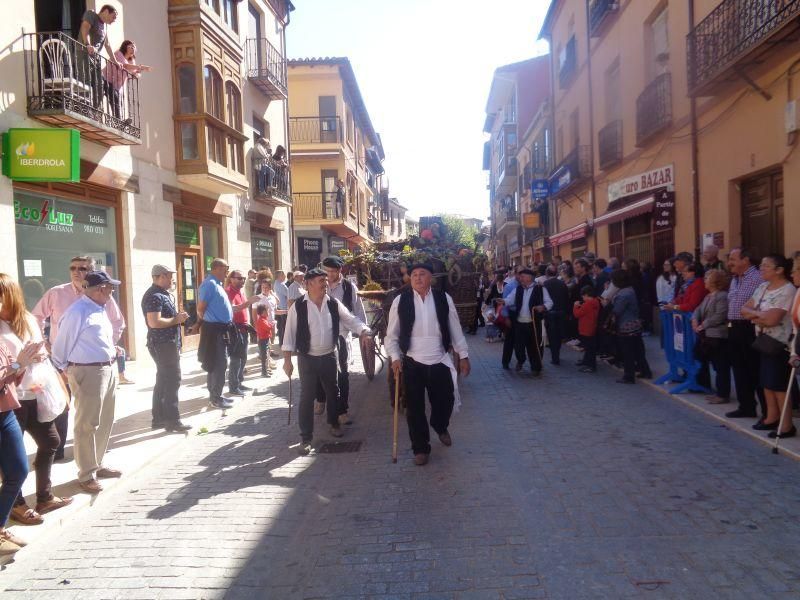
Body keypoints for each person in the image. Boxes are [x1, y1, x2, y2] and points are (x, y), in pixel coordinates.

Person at [32, 256, 125, 461]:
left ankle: (95, 462)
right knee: (65, 409)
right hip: (71, 364)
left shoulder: (102, 302)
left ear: (89, 273)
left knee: (100, 418)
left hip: (102, 367)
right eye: (72, 268)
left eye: (82, 268)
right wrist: (46, 343)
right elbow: (37, 317)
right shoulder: (60, 295)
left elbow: (117, 323)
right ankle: (60, 452)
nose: (76, 271)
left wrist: (106, 345)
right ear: (100, 288)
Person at [0, 275, 72, 526]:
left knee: (51, 440)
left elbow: (39, 349)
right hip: (11, 398)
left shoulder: (28, 319)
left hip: (36, 391)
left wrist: (41, 356)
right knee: (12, 458)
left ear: (11, 295)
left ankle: (44, 496)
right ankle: (17, 505)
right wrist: (19, 362)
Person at [385, 263, 470, 466]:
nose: (417, 277)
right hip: (412, 361)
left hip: (439, 359)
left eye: (422, 274)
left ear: (430, 277)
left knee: (445, 401)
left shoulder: (443, 298)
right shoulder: (401, 300)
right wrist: (395, 357)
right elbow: (391, 335)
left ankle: (440, 425)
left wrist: (464, 355)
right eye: (414, 274)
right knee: (414, 408)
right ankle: (421, 448)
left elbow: (455, 328)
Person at [282, 268, 372, 455]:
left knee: (333, 391)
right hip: (307, 358)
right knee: (307, 397)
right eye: (321, 280)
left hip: (329, 355)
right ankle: (306, 437)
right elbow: (289, 335)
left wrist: (363, 330)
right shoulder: (298, 307)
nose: (325, 284)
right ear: (308, 284)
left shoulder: (333, 303)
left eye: (325, 280)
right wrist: (287, 361)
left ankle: (334, 423)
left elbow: (350, 319)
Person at [51, 271, 122, 494]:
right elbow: (60, 346)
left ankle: (96, 464)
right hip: (88, 372)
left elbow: (97, 339)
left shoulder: (99, 308)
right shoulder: (77, 312)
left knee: (105, 420)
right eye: (110, 288)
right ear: (100, 288)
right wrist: (65, 370)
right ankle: (86, 474)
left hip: (107, 368)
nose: (112, 292)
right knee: (87, 424)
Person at [741, 254, 796, 438]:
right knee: (766, 382)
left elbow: (773, 319)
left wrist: (755, 315)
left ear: (779, 270)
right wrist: (760, 315)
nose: (761, 269)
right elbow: (743, 309)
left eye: (766, 266)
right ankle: (771, 417)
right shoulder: (762, 287)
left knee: (779, 384)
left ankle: (786, 425)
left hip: (780, 343)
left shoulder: (787, 290)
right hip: (763, 340)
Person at [0, 335, 43, 555]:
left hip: (6, 411)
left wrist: (24, 364)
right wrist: (17, 364)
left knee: (18, 470)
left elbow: (12, 378)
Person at [318, 256, 367, 424]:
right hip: (321, 334)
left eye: (332, 271)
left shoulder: (348, 286)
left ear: (339, 271)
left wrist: (363, 332)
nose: (328, 275)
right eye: (326, 271)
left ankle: (342, 411)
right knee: (320, 372)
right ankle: (321, 396)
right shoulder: (318, 283)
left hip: (341, 334)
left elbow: (358, 309)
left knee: (342, 373)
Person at [142, 265, 191, 432]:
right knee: (172, 380)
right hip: (162, 344)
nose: (172, 280)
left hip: (166, 344)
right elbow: (154, 322)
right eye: (170, 276)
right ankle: (172, 420)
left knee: (163, 381)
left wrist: (177, 319)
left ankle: (159, 419)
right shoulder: (154, 295)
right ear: (161, 276)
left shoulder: (161, 294)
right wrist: (176, 320)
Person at [724, 248, 767, 420]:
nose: (729, 263)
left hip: (750, 328)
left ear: (746, 260)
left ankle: (768, 412)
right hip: (734, 328)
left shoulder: (757, 278)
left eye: (733, 259)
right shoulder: (735, 279)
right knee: (739, 369)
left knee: (755, 369)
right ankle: (746, 406)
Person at [196, 259, 236, 410]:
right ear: (218, 268)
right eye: (226, 269)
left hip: (221, 329)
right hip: (214, 331)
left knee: (218, 363)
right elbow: (201, 309)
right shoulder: (209, 284)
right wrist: (205, 322)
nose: (227, 272)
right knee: (218, 364)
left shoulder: (217, 284)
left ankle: (216, 394)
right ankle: (215, 398)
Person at [692, 269, 731, 404]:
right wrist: (695, 320)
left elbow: (720, 315)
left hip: (717, 336)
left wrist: (704, 325)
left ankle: (723, 394)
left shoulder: (722, 296)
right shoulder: (708, 296)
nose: (705, 280)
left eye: (708, 278)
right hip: (707, 335)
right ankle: (707, 386)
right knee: (705, 359)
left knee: (721, 366)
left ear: (715, 281)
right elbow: (698, 309)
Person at [611, 269, 652, 384]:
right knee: (638, 349)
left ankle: (629, 375)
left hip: (626, 325)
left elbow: (617, 310)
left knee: (628, 352)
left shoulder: (623, 294)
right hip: (635, 324)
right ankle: (645, 371)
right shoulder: (630, 290)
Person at [225, 270, 261, 397]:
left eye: (243, 278)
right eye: (239, 278)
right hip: (235, 330)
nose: (242, 280)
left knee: (243, 358)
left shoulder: (240, 291)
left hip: (244, 329)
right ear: (231, 279)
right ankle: (233, 386)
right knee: (235, 359)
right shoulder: (228, 291)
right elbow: (232, 309)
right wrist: (248, 302)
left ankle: (239, 383)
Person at [511, 268, 552, 376]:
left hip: (533, 323)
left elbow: (549, 302)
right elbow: (510, 299)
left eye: (523, 276)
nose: (520, 278)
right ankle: (521, 360)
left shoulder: (540, 288)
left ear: (529, 277)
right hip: (520, 322)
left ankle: (535, 368)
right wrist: (504, 301)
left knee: (534, 346)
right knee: (518, 345)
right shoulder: (519, 289)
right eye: (520, 276)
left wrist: (543, 307)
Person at [79, 4, 120, 109]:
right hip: (84, 55)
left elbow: (107, 45)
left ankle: (94, 111)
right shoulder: (91, 15)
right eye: (113, 17)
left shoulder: (104, 26)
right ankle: (84, 109)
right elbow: (85, 28)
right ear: (106, 11)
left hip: (96, 59)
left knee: (100, 87)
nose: (114, 20)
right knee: (85, 82)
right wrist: (88, 44)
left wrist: (115, 61)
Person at [103, 40, 151, 121]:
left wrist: (137, 73)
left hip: (117, 86)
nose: (133, 49)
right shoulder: (118, 54)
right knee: (115, 99)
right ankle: (119, 121)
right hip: (106, 79)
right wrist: (140, 67)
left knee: (118, 103)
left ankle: (119, 120)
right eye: (131, 47)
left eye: (134, 48)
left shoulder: (131, 61)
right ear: (125, 47)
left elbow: (135, 73)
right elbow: (126, 66)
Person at [542, 266, 568, 365]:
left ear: (547, 274)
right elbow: (566, 299)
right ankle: (557, 354)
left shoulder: (545, 284)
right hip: (561, 313)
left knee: (552, 336)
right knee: (558, 335)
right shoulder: (562, 284)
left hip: (550, 314)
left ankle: (555, 357)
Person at [574, 286, 600, 372]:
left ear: (586, 295)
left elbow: (577, 314)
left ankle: (591, 366)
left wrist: (575, 306)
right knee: (590, 347)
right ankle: (586, 361)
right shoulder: (595, 301)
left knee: (589, 348)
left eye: (583, 296)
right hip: (592, 326)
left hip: (586, 327)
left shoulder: (588, 304)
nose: (582, 298)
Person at [254, 305, 273, 377]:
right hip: (263, 340)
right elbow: (268, 328)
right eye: (266, 311)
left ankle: (265, 370)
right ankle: (264, 372)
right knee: (264, 357)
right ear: (262, 312)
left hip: (265, 339)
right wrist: (272, 325)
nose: (268, 312)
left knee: (266, 355)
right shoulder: (262, 320)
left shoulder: (264, 319)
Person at [274, 270, 289, 345]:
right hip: (283, 308)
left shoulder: (276, 283)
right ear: (279, 276)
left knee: (281, 326)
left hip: (280, 306)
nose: (285, 276)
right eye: (283, 275)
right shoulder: (281, 285)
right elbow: (289, 294)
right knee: (283, 326)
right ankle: (283, 343)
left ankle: (281, 342)